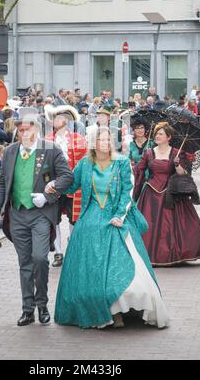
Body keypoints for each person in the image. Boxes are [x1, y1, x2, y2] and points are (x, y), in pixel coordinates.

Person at [47, 126, 169, 329]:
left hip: (116, 216)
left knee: (123, 265)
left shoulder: (121, 162)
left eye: (107, 140)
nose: (104, 144)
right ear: (93, 144)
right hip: (91, 217)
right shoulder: (85, 164)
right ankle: (101, 310)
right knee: (89, 265)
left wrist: (119, 216)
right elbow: (71, 184)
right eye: (100, 140)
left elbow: (127, 192)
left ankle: (124, 308)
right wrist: (54, 185)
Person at [0, 107, 73, 327]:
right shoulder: (10, 152)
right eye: (20, 130)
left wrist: (48, 195)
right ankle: (28, 309)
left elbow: (67, 177)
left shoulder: (51, 150)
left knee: (40, 258)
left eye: (27, 129)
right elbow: (1, 183)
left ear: (36, 128)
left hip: (40, 214)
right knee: (24, 262)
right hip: (17, 213)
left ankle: (42, 304)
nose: (24, 134)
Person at [134, 122, 200, 266]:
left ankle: (173, 253)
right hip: (151, 193)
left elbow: (183, 173)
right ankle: (147, 254)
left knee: (172, 225)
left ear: (168, 137)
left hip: (171, 193)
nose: (157, 136)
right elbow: (139, 171)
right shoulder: (149, 153)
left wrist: (177, 164)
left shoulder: (176, 153)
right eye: (156, 133)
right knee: (150, 224)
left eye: (160, 134)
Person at [44, 104, 87, 267]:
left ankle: (72, 250)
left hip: (73, 186)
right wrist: (48, 182)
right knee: (53, 220)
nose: (55, 120)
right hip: (54, 187)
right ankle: (58, 253)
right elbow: (43, 166)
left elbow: (83, 164)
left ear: (66, 120)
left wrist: (79, 183)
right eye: (55, 117)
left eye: (58, 117)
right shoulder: (47, 139)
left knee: (73, 219)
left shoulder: (78, 139)